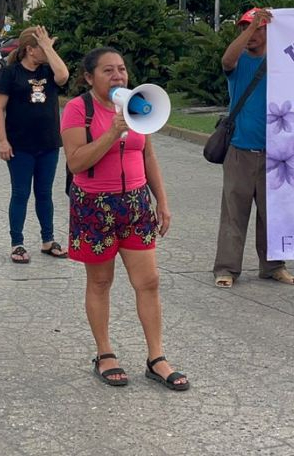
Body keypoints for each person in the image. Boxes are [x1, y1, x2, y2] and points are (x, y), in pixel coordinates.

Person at [62, 48, 188, 391]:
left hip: (135, 204)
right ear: (89, 77)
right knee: (101, 282)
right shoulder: (77, 110)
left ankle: (156, 357)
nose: (118, 76)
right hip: (94, 205)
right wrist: (111, 132)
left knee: (149, 281)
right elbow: (75, 163)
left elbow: (147, 154)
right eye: (108, 71)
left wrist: (161, 201)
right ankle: (105, 354)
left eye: (121, 69)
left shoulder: (137, 105)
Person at [213, 8, 294, 288]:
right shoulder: (238, 64)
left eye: (257, 28)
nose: (249, 34)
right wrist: (252, 29)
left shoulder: (281, 63)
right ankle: (226, 269)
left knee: (271, 214)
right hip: (239, 150)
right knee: (233, 212)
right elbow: (226, 59)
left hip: (275, 153)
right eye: (244, 28)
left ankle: (273, 266)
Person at [0, 26, 69, 263]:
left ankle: (48, 240)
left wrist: (48, 47)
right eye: (42, 48)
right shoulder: (10, 73)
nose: (47, 52)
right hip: (20, 146)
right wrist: (3, 141)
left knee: (44, 193)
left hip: (48, 144)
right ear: (29, 50)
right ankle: (17, 243)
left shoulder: (48, 70)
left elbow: (64, 76)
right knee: (21, 193)